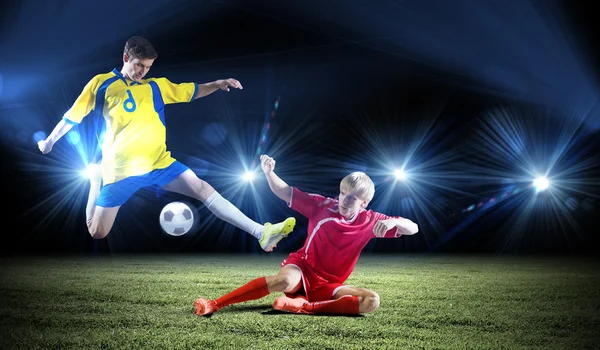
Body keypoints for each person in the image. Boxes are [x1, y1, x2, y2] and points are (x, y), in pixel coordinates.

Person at [37, 36, 296, 252]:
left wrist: (217, 84)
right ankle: (95, 182)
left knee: (202, 188)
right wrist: (49, 142)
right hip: (119, 172)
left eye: (148, 67)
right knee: (97, 232)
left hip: (160, 163)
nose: (143, 71)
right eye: (139, 65)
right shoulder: (101, 84)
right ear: (126, 58)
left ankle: (261, 232)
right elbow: (73, 116)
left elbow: (192, 90)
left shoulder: (156, 87)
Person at [193, 154, 419, 316]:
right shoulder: (322, 205)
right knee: (284, 280)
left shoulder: (371, 220)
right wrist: (270, 173)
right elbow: (285, 192)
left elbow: (413, 227)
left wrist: (393, 222)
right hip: (302, 268)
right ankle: (216, 303)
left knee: (372, 301)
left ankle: (305, 306)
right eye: (342, 193)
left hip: (330, 284)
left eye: (351, 198)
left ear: (364, 203)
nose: (343, 200)